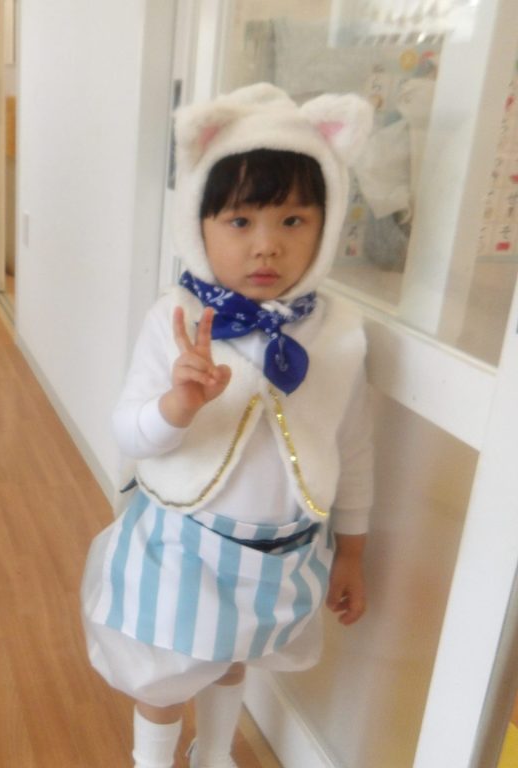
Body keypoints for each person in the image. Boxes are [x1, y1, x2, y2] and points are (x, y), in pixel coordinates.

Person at [80, 83, 375, 768]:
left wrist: (353, 552)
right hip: (186, 546)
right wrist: (177, 406)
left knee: (234, 656)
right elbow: (129, 433)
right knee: (164, 672)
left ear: (327, 224)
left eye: (293, 220)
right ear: (199, 223)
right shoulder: (176, 318)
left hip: (280, 550)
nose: (267, 246)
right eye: (241, 221)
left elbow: (354, 445)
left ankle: (213, 753)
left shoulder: (340, 333)